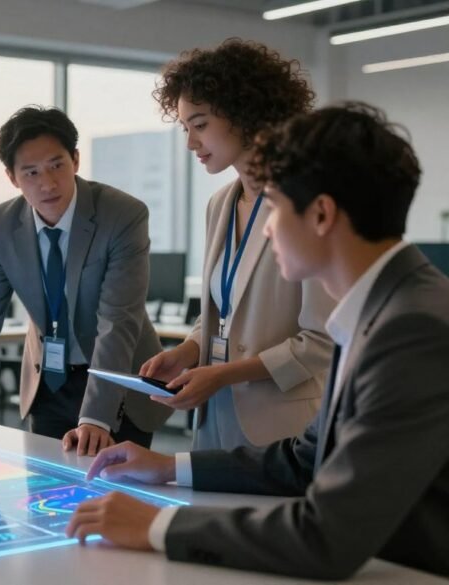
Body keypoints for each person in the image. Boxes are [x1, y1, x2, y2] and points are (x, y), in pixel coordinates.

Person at [65, 103, 449, 579]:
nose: (266, 227)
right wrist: (169, 466)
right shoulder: (385, 308)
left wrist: (160, 525)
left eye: (275, 206)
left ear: (322, 214)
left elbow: (326, 536)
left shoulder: (414, 330)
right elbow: (304, 459)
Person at [0, 106, 172, 452]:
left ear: (75, 159)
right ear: (12, 177)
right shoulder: (1, 225)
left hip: (117, 386)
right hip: (47, 385)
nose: (47, 183)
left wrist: (95, 418)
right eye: (30, 172)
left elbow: (117, 321)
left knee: (119, 500)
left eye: (57, 165)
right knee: (45, 500)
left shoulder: (122, 215)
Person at [140, 38, 335, 449]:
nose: (191, 143)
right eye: (185, 128)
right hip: (214, 419)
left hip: (283, 429)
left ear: (245, 115)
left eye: (200, 124)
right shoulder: (219, 204)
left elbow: (322, 341)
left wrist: (226, 373)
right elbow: (222, 310)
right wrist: (190, 351)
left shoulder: (305, 201)